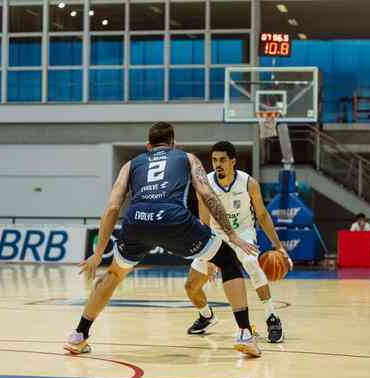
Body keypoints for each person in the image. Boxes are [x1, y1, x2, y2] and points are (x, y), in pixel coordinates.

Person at [64, 122, 262, 357]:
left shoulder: (130, 164)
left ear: (148, 146)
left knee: (114, 274)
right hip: (174, 220)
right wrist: (231, 235)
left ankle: (79, 335)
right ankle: (245, 334)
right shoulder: (187, 157)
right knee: (228, 259)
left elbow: (112, 207)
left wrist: (98, 254)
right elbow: (207, 194)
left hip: (137, 221)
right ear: (173, 143)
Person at [184, 141, 291, 343]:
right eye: (214, 160)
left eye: (222, 159)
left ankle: (272, 318)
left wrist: (278, 246)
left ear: (233, 161)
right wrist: (209, 259)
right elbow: (204, 222)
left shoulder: (249, 183)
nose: (218, 164)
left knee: (251, 263)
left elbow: (262, 215)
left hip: (243, 233)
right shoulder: (204, 184)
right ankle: (207, 316)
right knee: (191, 286)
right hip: (215, 234)